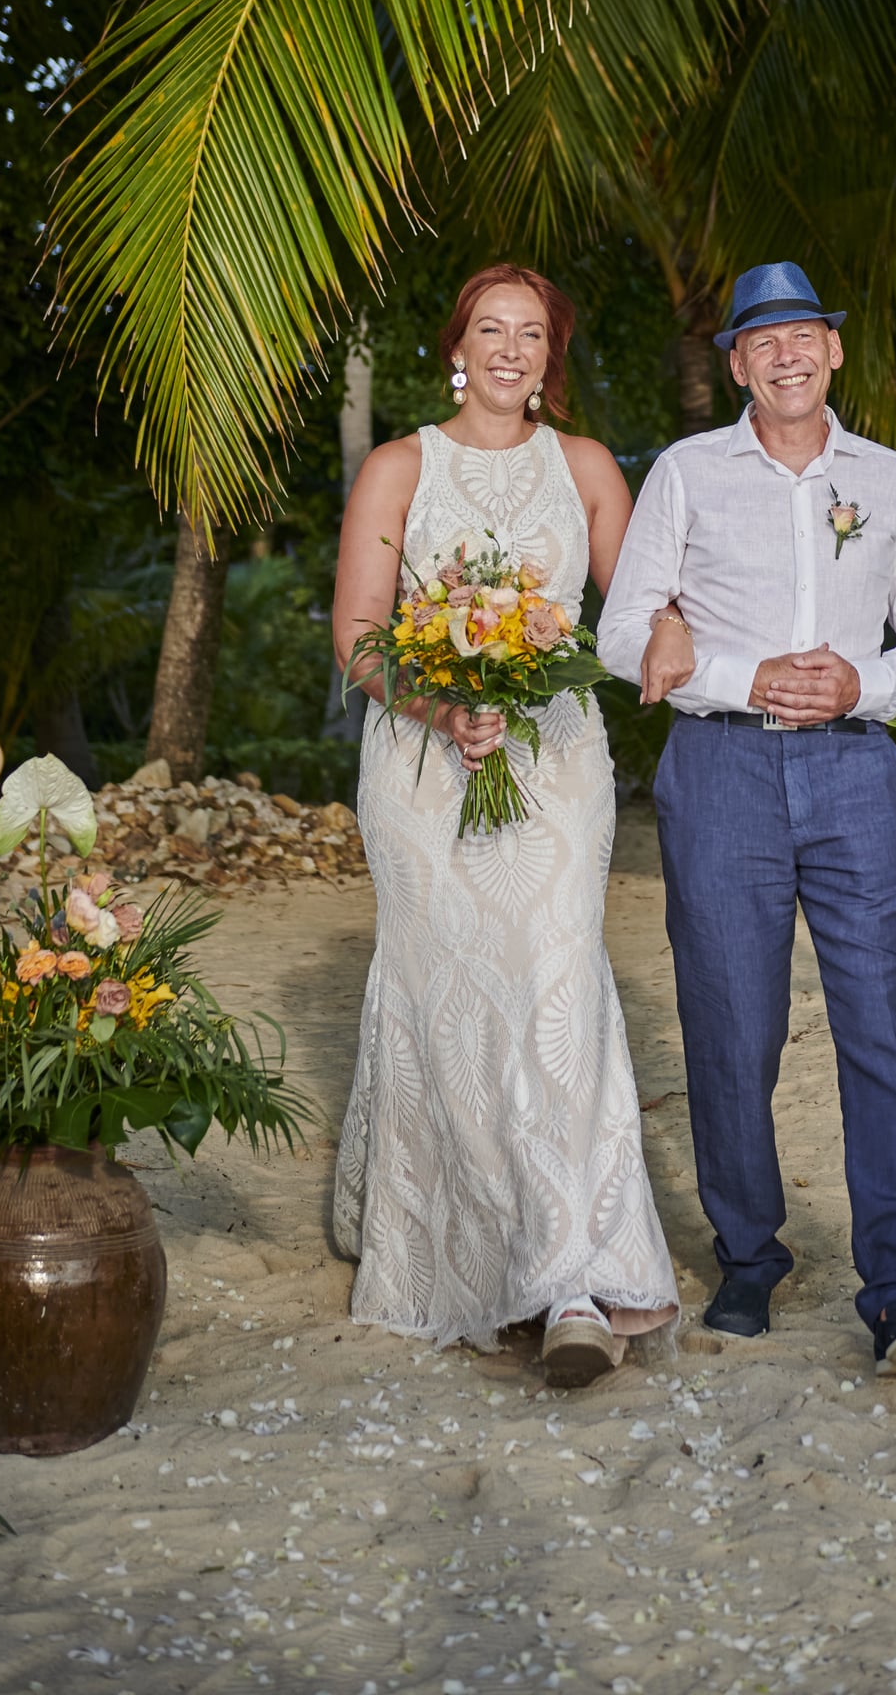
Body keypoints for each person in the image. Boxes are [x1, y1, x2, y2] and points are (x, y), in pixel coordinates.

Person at [597, 260, 896, 1374]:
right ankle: (749, 1254)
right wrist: (748, 675)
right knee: (731, 1026)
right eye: (763, 342)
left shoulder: (888, 480)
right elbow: (622, 638)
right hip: (721, 772)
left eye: (804, 334)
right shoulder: (686, 472)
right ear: (739, 364)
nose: (787, 354)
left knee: (877, 1028)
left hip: (856, 771)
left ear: (834, 351)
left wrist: (864, 687)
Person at [331, 264, 678, 1385]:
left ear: (552, 355)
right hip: (423, 770)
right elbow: (360, 637)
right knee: (448, 991)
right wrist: (442, 704)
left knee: (553, 985)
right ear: (457, 343)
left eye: (534, 333)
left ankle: (570, 1277)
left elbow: (633, 619)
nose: (511, 349)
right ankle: (477, 1246)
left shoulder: (584, 469)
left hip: (558, 763)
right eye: (492, 327)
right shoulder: (397, 467)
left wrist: (686, 637)